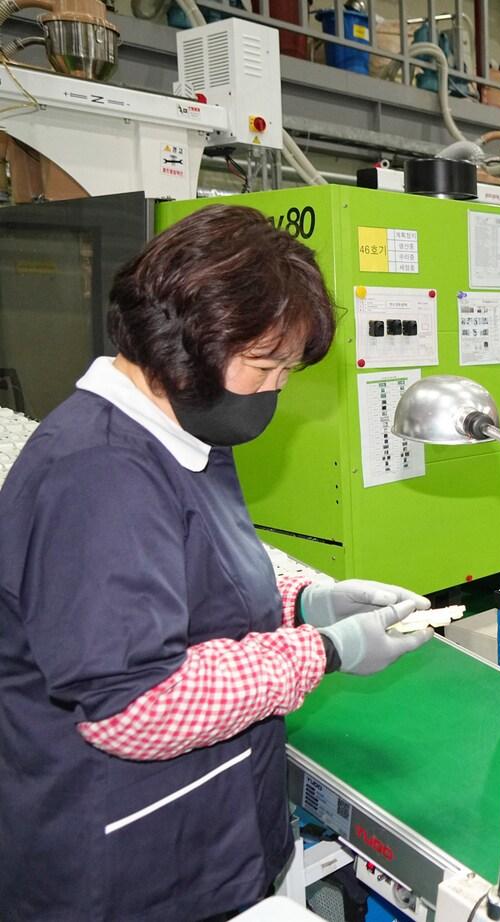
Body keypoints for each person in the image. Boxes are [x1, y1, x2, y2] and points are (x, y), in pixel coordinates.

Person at [0, 205, 434, 922]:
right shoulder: (99, 474)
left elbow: (198, 561)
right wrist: (321, 651)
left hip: (206, 826)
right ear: (184, 344)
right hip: (125, 868)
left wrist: (307, 598)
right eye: (266, 366)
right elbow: (137, 703)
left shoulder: (177, 429)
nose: (276, 389)